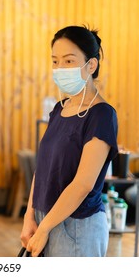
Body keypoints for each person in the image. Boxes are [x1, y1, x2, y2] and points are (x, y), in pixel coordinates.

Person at [20, 25, 118, 257]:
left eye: (69, 61)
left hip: (77, 226)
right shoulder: (59, 109)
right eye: (55, 61)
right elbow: (42, 168)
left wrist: (44, 228)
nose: (59, 68)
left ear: (90, 65)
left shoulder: (102, 115)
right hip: (45, 219)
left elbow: (83, 183)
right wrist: (29, 216)